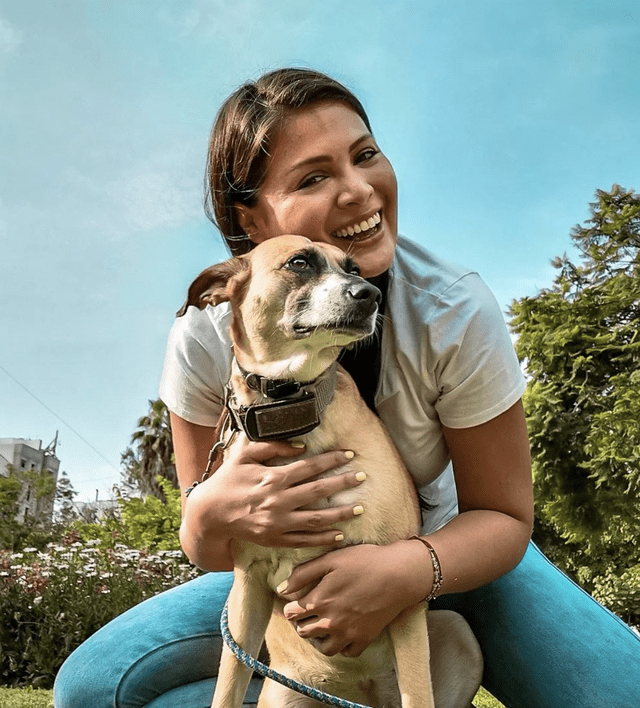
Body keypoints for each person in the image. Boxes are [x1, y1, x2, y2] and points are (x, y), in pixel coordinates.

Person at [54, 68, 640, 708]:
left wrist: (407, 570)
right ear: (250, 217)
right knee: (91, 688)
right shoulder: (206, 331)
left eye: (365, 156)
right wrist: (208, 510)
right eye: (313, 177)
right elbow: (210, 545)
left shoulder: (453, 310)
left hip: (460, 555)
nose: (360, 190)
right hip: (287, 575)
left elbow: (503, 516)